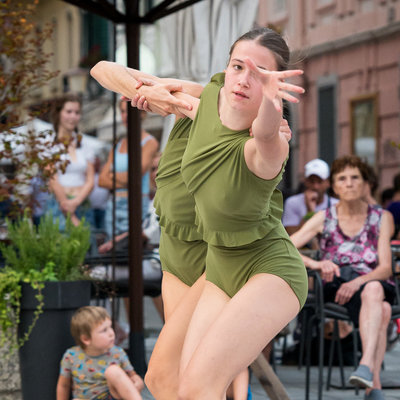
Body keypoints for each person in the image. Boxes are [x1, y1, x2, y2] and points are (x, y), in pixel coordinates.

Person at [91, 26, 307, 399]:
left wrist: (272, 102)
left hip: (263, 263)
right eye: (237, 67)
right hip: (208, 261)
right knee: (174, 383)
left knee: (204, 382)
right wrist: (154, 93)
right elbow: (103, 70)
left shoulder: (267, 144)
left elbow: (267, 134)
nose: (243, 79)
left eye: (259, 75)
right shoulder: (202, 104)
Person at [290, 155, 395, 400]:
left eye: (355, 178)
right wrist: (316, 263)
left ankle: (368, 371)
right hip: (334, 285)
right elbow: (285, 246)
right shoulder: (324, 217)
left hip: (368, 282)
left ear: (365, 183)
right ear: (334, 186)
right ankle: (371, 378)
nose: (349, 183)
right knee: (384, 308)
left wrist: (357, 282)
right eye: (342, 179)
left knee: (378, 296)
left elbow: (386, 267)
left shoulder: (382, 217)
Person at [56, 306, 144, 400]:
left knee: (113, 371)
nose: (111, 333)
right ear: (86, 339)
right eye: (104, 330)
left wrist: (138, 382)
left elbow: (133, 376)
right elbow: (63, 385)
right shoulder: (71, 356)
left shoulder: (117, 353)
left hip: (113, 397)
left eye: (110, 327)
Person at [99, 101, 158, 239]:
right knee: (112, 251)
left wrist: (112, 176)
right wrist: (127, 180)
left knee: (132, 251)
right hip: (113, 206)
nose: (126, 116)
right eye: (123, 112)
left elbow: (134, 177)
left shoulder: (149, 142)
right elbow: (102, 180)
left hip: (136, 204)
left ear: (142, 113)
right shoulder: (118, 144)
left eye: (130, 111)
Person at [46, 93, 95, 230]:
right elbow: (52, 179)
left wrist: (76, 202)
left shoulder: (84, 142)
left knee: (86, 247)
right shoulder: (49, 143)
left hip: (82, 202)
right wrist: (68, 209)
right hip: (58, 203)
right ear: (59, 113)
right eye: (69, 111)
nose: (73, 116)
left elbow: (90, 180)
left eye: (77, 112)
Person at [282, 158, 338, 235]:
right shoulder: (292, 202)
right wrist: (310, 212)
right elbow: (290, 235)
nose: (315, 186)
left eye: (319, 182)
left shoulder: (336, 205)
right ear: (305, 182)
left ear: (328, 182)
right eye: (312, 181)